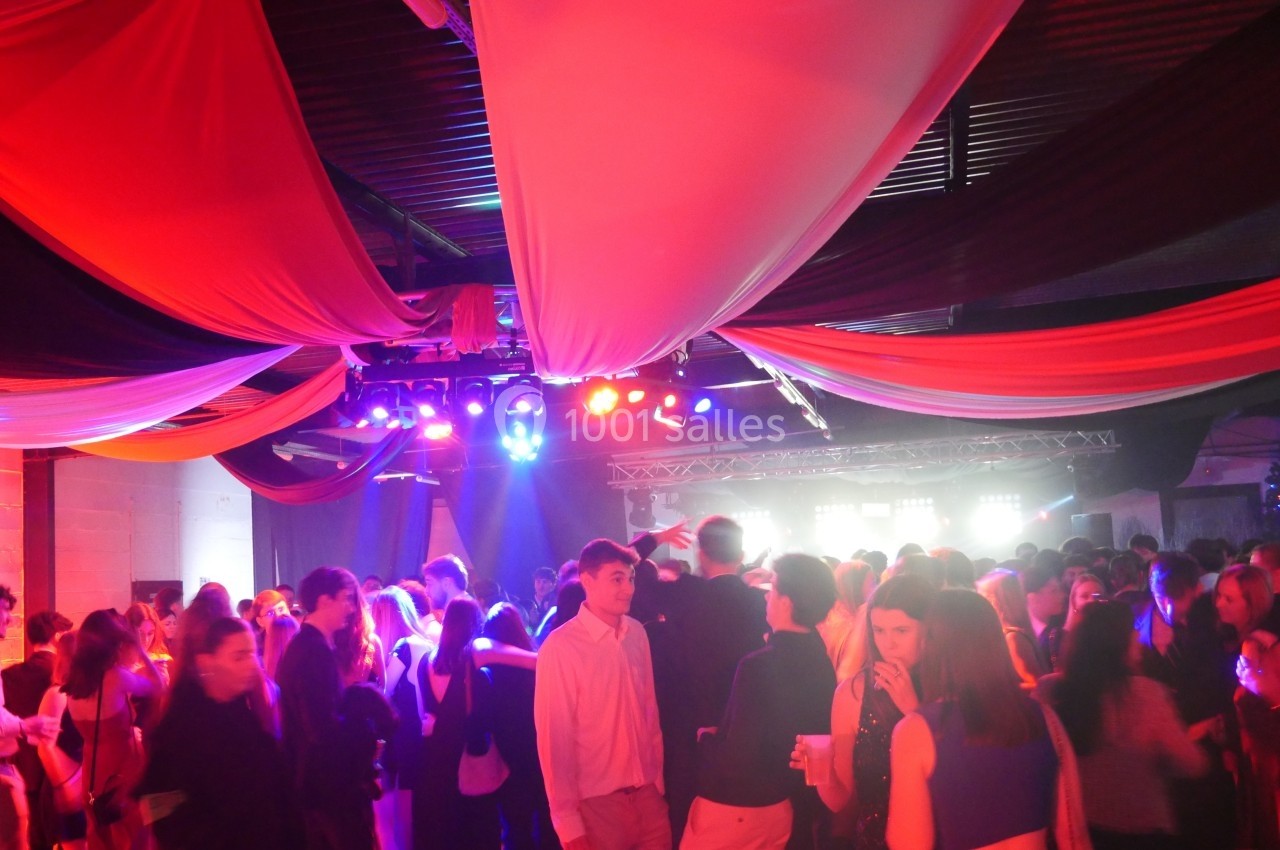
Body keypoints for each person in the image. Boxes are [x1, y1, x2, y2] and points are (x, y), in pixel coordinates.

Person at [885, 589, 1089, 850]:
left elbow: (908, 844)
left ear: (930, 645)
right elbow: (1075, 835)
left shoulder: (916, 731)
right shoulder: (1043, 717)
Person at [683, 554, 836, 850]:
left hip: (746, 809)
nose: (767, 598)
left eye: (773, 589)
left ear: (787, 602)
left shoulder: (760, 665)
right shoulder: (821, 661)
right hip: (793, 804)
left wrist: (707, 740)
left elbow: (738, 757)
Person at [535, 539, 668, 850]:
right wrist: (568, 824)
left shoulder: (636, 632)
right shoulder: (561, 647)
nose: (629, 589)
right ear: (587, 581)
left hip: (648, 797)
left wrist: (657, 783)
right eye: (617, 579)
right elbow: (556, 742)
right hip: (597, 805)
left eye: (631, 578)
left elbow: (650, 712)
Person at [1040, 601, 1206, 849]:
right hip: (1139, 830)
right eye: (1132, 629)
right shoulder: (1144, 695)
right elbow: (1190, 763)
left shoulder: (1049, 691)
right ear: (1115, 642)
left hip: (1076, 828)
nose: (1138, 634)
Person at [795, 575, 936, 850]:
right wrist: (821, 771)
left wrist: (915, 713)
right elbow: (842, 803)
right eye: (879, 630)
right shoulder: (855, 692)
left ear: (929, 630)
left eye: (901, 631)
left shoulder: (949, 684)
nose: (888, 643)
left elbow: (963, 780)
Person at [136, 617, 301, 850]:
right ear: (206, 663)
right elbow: (159, 804)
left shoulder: (242, 715)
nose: (251, 664)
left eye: (253, 654)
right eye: (239, 656)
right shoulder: (182, 727)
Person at [1135, 552, 1237, 849]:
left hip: (1206, 761)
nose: (1171, 610)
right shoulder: (1132, 628)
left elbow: (1225, 686)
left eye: (1181, 601)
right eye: (1163, 598)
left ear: (1197, 589)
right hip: (1157, 765)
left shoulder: (1215, 626)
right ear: (1154, 592)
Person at [276, 566, 362, 850]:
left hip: (314, 781)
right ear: (325, 600)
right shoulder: (313, 651)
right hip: (322, 786)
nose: (352, 607)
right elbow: (320, 728)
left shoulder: (310, 645)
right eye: (346, 598)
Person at [64, 609, 164, 850]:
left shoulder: (74, 683)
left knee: (101, 839)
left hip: (93, 773)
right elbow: (157, 686)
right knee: (136, 839)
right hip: (123, 772)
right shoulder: (116, 678)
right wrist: (141, 650)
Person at [413, 597, 500, 850]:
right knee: (472, 832)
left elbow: (425, 713)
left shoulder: (426, 661)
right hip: (466, 756)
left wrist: (436, 725)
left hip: (433, 758)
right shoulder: (476, 663)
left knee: (440, 830)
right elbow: (481, 718)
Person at [483, 603, 559, 850]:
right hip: (538, 752)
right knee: (546, 820)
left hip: (507, 755)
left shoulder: (488, 669)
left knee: (516, 827)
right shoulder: (535, 666)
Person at [2, 608, 71, 850]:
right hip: (52, 774)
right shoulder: (60, 680)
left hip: (19, 766)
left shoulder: (9, 674)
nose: (8, 620)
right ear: (57, 637)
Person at [372, 587, 434, 850]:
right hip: (421, 737)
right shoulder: (428, 644)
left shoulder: (404, 647)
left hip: (404, 738)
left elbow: (384, 693)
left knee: (397, 818)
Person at [36, 631, 88, 850]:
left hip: (78, 784)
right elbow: (44, 747)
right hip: (63, 785)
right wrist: (64, 787)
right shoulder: (57, 694)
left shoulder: (81, 694)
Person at [975, 569, 1046, 690]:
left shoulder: (1013, 638)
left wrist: (998, 688)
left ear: (996, 600)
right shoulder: (1013, 634)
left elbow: (1038, 685)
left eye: (983, 596)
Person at [817, 561, 877, 683]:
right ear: (854, 587)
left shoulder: (824, 616)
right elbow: (848, 673)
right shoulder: (855, 623)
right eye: (872, 583)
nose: (876, 589)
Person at [1038, 573, 1107, 674]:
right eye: (1084, 596)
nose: (1092, 601)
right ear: (1074, 602)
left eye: (1097, 596)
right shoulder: (1058, 637)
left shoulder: (1113, 634)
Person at [1215, 563, 1280, 650]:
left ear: (1253, 603)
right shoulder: (1215, 632)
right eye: (1219, 595)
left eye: (1229, 599)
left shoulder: (1266, 646)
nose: (1218, 604)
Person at [421, 555, 470, 642]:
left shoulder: (463, 618)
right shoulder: (460, 612)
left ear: (446, 583)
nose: (426, 591)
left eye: (430, 583)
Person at [529, 568, 558, 632]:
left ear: (553, 585)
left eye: (545, 582)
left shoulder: (558, 605)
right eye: (538, 581)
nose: (541, 586)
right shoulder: (528, 602)